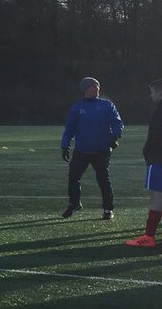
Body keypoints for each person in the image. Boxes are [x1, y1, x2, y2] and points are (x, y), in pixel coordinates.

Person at [60, 76, 123, 220]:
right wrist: (65, 146)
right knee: (73, 177)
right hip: (81, 150)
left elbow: (117, 123)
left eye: (98, 86)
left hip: (101, 151)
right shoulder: (77, 107)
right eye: (94, 86)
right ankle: (74, 203)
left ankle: (108, 209)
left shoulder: (107, 105)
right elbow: (69, 128)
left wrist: (115, 135)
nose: (97, 89)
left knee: (103, 180)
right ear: (85, 89)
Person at [127, 77, 162, 247]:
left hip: (158, 158)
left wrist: (149, 151)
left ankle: (149, 237)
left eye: (153, 91)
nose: (151, 95)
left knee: (157, 195)